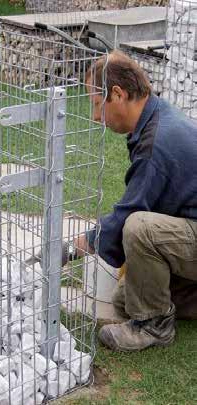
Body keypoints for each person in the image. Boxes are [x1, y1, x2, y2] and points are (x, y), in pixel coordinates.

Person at [69, 50, 197, 352]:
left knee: (138, 227)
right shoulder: (158, 116)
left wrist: (78, 245)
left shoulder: (157, 141)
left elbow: (134, 210)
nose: (95, 117)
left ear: (118, 93)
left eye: (97, 105)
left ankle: (153, 327)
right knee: (125, 298)